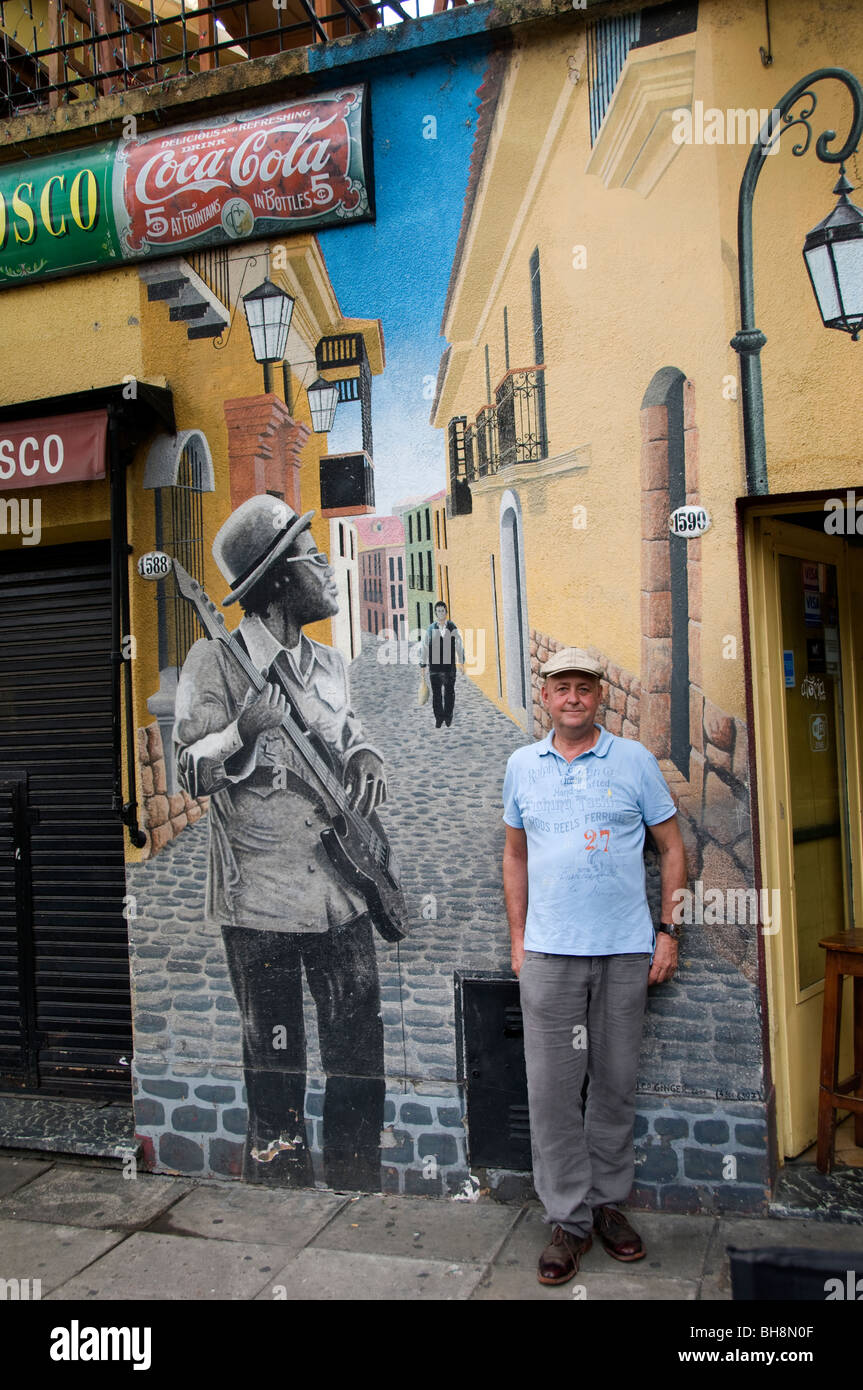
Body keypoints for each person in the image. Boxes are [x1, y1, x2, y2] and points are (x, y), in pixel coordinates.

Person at [174, 494, 397, 1192]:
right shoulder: (214, 662)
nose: (327, 569)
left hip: (342, 889)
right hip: (260, 899)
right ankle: (280, 1174)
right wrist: (242, 729)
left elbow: (347, 729)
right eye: (310, 557)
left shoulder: (329, 663)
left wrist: (365, 754)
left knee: (358, 1042)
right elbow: (189, 768)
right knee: (274, 1051)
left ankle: (358, 1174)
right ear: (276, 583)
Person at [502, 647, 686, 1286]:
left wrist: (668, 932)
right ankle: (567, 1220)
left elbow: (672, 848)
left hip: (625, 950)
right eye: (562, 688)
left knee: (613, 1084)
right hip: (550, 954)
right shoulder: (522, 765)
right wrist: (519, 941)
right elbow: (516, 856)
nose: (573, 697)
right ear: (545, 698)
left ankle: (607, 1206)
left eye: (585, 687)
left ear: (600, 697)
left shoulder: (634, 762)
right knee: (552, 1092)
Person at [420, 601, 465, 728]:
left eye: (443, 611)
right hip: (435, 668)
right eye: (438, 611)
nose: (441, 613)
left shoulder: (451, 627)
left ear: (446, 612)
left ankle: (448, 717)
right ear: (435, 613)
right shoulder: (431, 629)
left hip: (449, 667)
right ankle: (439, 718)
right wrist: (422, 665)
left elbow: (459, 644)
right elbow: (424, 647)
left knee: (449, 693)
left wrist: (461, 661)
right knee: (437, 694)